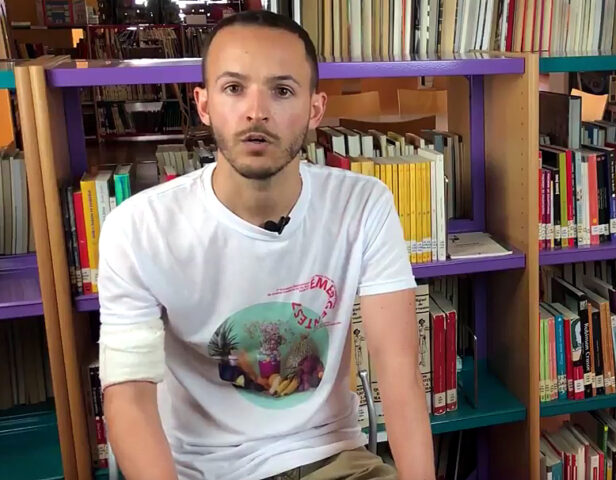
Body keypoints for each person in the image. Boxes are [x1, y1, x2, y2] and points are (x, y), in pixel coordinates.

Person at [97, 10, 435, 480]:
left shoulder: (363, 205)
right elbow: (128, 397)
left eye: (282, 91)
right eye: (234, 88)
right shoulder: (138, 228)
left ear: (315, 109)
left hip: (332, 459)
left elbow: (399, 371)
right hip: (204, 470)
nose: (256, 111)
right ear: (203, 104)